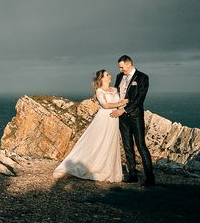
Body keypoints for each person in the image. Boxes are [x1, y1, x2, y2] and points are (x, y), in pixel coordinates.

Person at [53, 69, 128, 182]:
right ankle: (93, 165)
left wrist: (123, 105)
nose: (110, 75)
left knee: (110, 142)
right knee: (99, 141)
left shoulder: (114, 89)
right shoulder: (99, 91)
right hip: (104, 118)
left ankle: (107, 168)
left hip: (114, 120)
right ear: (102, 78)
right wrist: (121, 103)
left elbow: (122, 100)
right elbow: (105, 105)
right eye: (107, 74)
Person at [109, 55, 156, 187]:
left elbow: (140, 98)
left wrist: (124, 110)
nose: (120, 69)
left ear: (129, 64)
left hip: (135, 116)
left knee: (141, 146)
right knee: (127, 146)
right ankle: (132, 175)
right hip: (122, 117)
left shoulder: (143, 77)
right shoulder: (119, 77)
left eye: (122, 67)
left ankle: (150, 178)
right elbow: (116, 93)